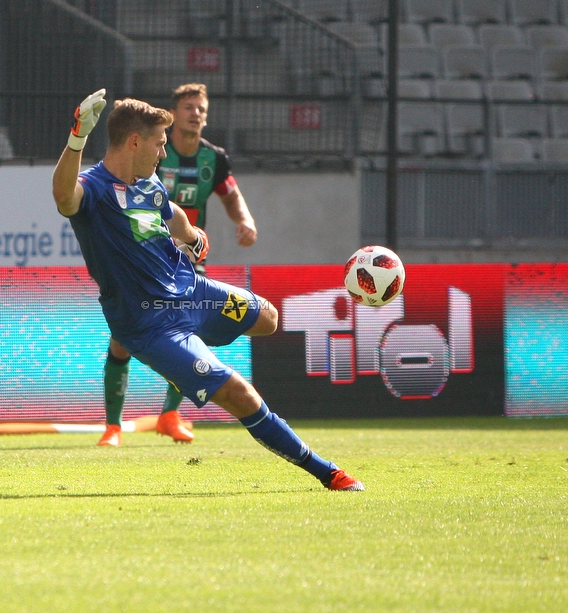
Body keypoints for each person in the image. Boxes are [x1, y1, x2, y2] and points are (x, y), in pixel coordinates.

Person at [51, 89, 363, 491]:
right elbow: (63, 196)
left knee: (268, 318)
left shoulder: (149, 185)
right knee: (238, 393)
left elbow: (171, 212)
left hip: (192, 293)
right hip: (149, 325)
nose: (163, 154)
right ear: (135, 141)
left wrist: (192, 235)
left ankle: (187, 362)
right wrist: (77, 138)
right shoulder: (92, 189)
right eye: (160, 144)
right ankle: (328, 472)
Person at [101, 83, 257, 446]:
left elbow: (231, 195)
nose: (195, 113)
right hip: (143, 258)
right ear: (175, 112)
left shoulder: (214, 159)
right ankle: (113, 426)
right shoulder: (155, 153)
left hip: (186, 259)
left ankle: (170, 415)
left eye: (201, 108)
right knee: (122, 340)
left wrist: (244, 220)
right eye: (188, 107)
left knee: (191, 334)